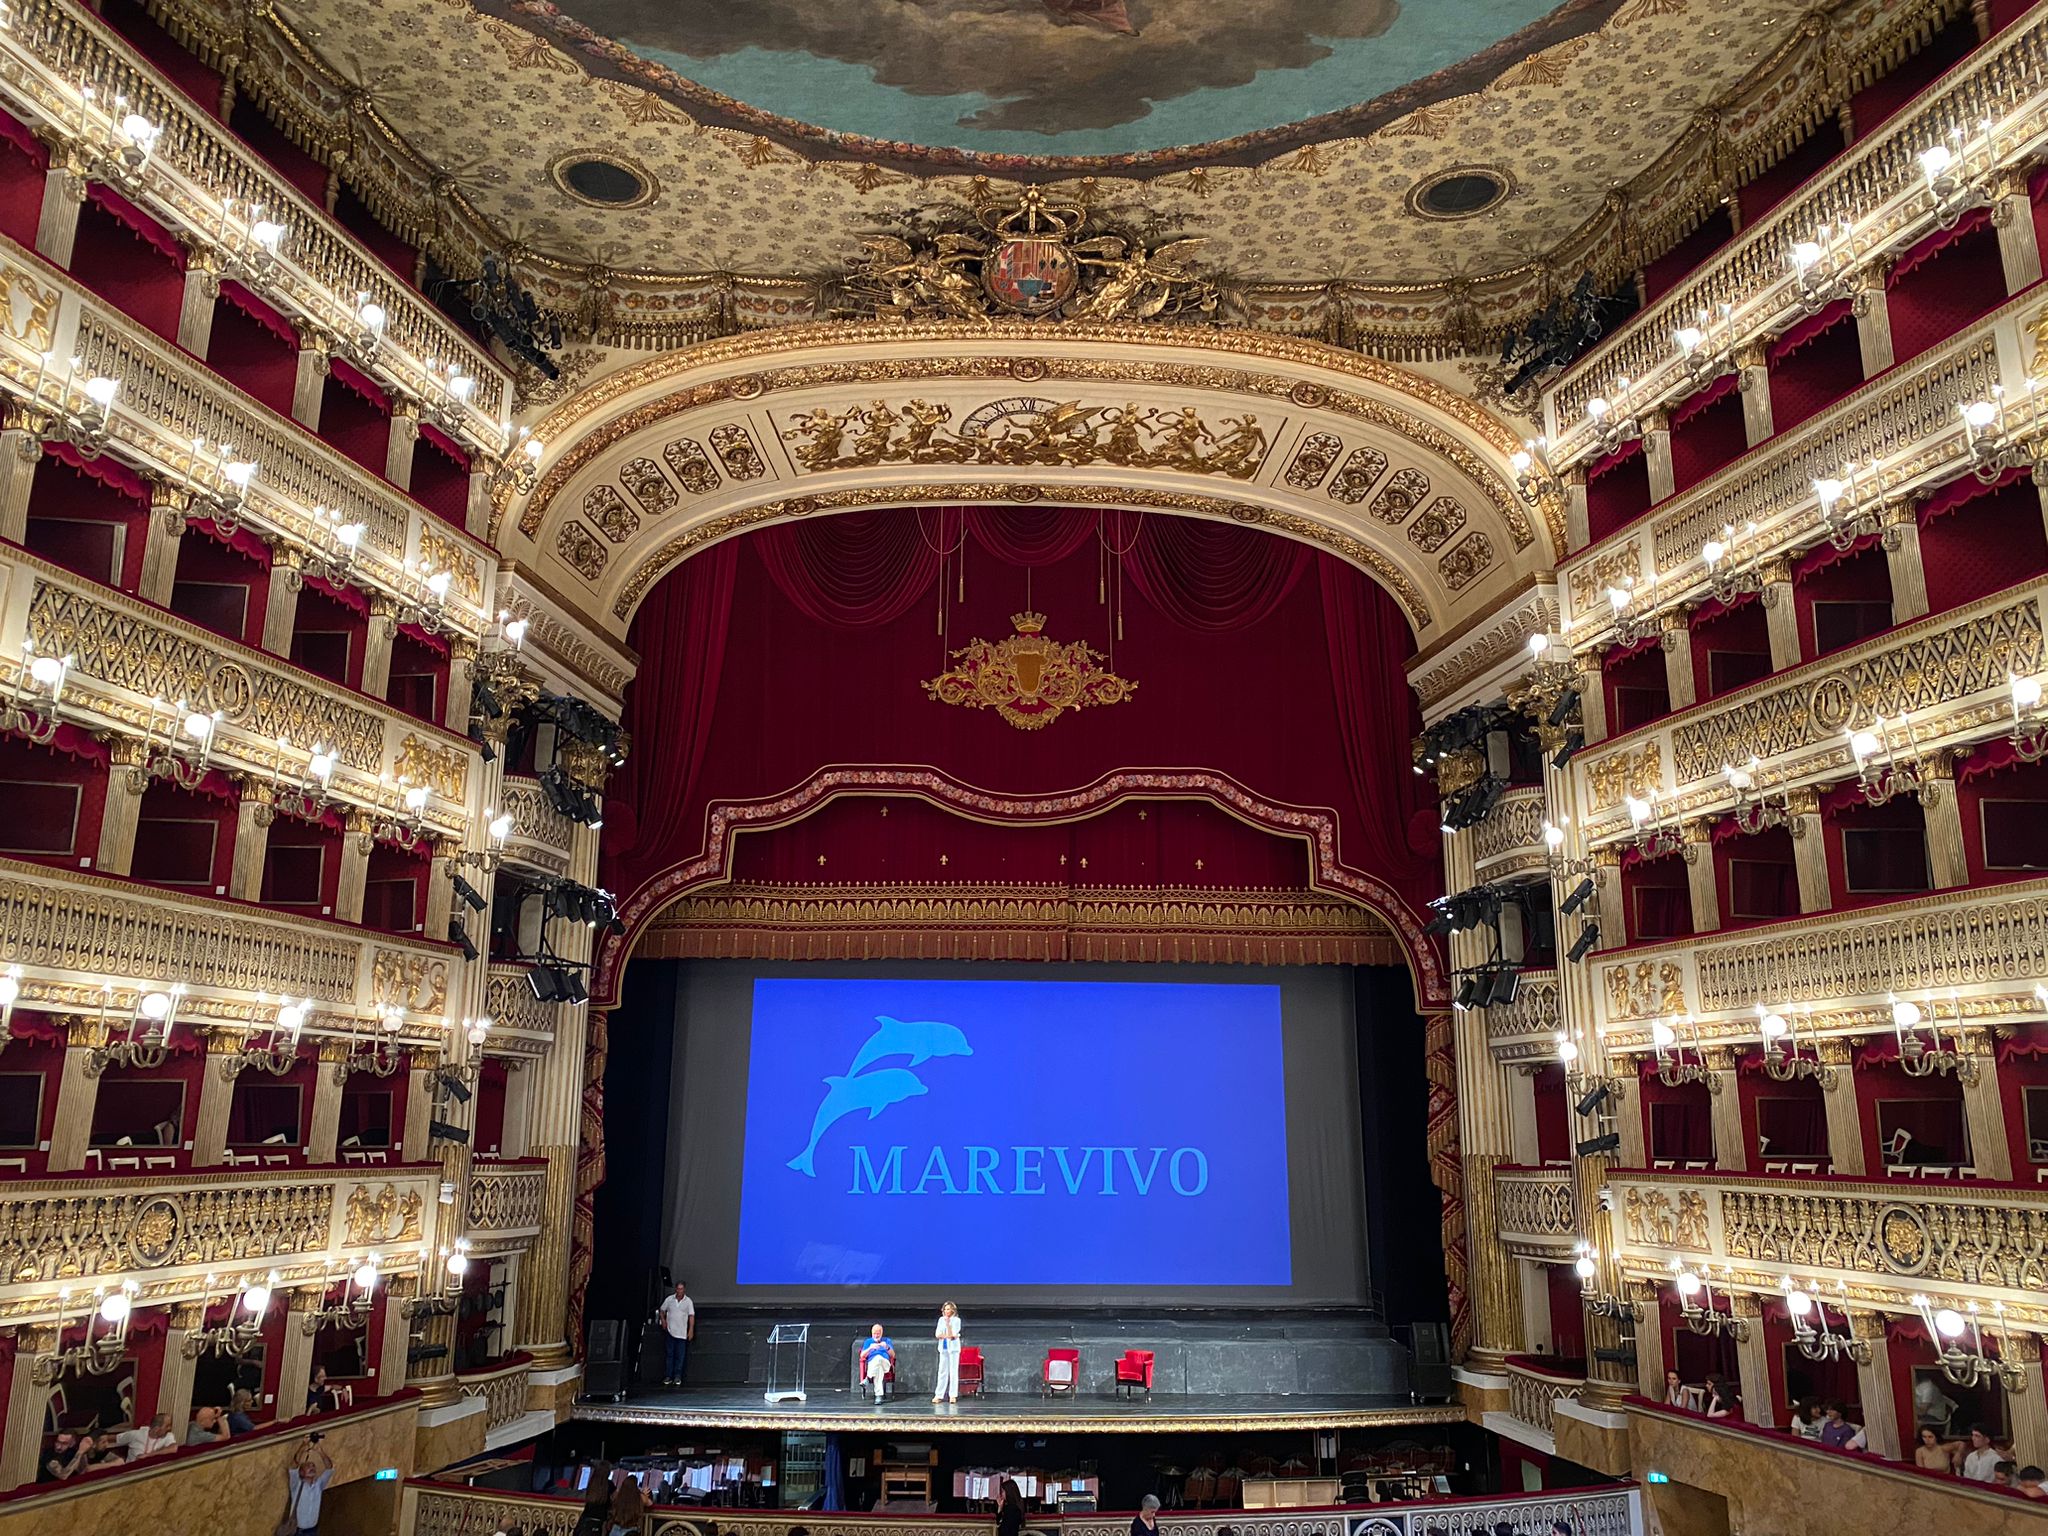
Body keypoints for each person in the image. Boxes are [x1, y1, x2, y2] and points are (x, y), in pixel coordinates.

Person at [283, 1438, 335, 1535]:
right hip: (298, 1531)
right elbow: (294, 1465)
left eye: (313, 1466)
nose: (312, 1468)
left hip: (313, 1530)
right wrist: (304, 1445)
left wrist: (320, 1451)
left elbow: (329, 1468)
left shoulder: (319, 1484)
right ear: (301, 1472)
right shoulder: (296, 1484)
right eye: (308, 1466)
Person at [654, 1282, 695, 1388]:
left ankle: (677, 1376)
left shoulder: (688, 1301)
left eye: (681, 1289)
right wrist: (663, 1320)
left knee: (680, 1356)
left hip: (681, 1333)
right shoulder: (669, 1299)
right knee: (670, 1355)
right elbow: (662, 1310)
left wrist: (691, 1330)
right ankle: (668, 1376)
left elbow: (691, 1316)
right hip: (670, 1331)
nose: (679, 1291)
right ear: (675, 1289)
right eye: (678, 1289)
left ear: (684, 1290)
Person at [933, 1301, 962, 1404]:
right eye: (945, 1309)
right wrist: (948, 1335)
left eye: (948, 1309)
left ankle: (952, 1395)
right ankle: (939, 1395)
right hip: (943, 1348)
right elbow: (937, 1334)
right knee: (942, 1371)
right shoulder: (941, 1320)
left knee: (953, 1372)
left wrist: (948, 1325)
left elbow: (952, 1334)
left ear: (952, 1310)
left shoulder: (957, 1320)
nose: (946, 1311)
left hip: (953, 1349)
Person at [861, 1323, 896, 1399]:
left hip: (885, 1364)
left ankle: (868, 1378)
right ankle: (878, 1396)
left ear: (881, 1333)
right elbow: (862, 1356)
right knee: (878, 1368)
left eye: (878, 1334)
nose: (876, 1336)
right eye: (874, 1334)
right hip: (873, 1364)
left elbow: (893, 1355)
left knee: (879, 1358)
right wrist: (870, 1348)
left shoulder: (887, 1341)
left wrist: (887, 1347)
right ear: (871, 1333)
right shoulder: (868, 1341)